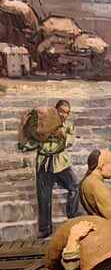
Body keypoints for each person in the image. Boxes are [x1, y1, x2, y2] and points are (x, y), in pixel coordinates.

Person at [22, 99, 79, 239]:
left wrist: (63, 135)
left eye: (67, 113)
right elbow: (31, 140)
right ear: (55, 111)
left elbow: (71, 140)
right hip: (44, 163)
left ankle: (72, 219)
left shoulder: (68, 125)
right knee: (44, 197)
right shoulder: (43, 123)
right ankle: (45, 229)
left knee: (74, 187)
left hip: (61, 162)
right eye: (61, 111)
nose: (64, 115)